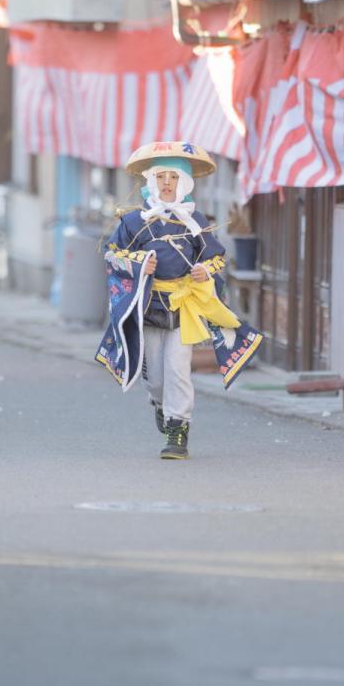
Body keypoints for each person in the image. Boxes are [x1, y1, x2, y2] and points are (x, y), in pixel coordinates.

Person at [95, 140, 264, 460]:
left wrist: (204, 270)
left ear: (184, 183)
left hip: (183, 306)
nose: (167, 184)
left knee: (178, 370)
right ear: (151, 182)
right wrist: (141, 263)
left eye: (173, 178)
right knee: (156, 378)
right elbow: (112, 256)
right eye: (161, 177)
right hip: (147, 305)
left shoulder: (196, 221)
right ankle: (159, 404)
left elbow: (216, 258)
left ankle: (178, 428)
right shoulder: (133, 222)